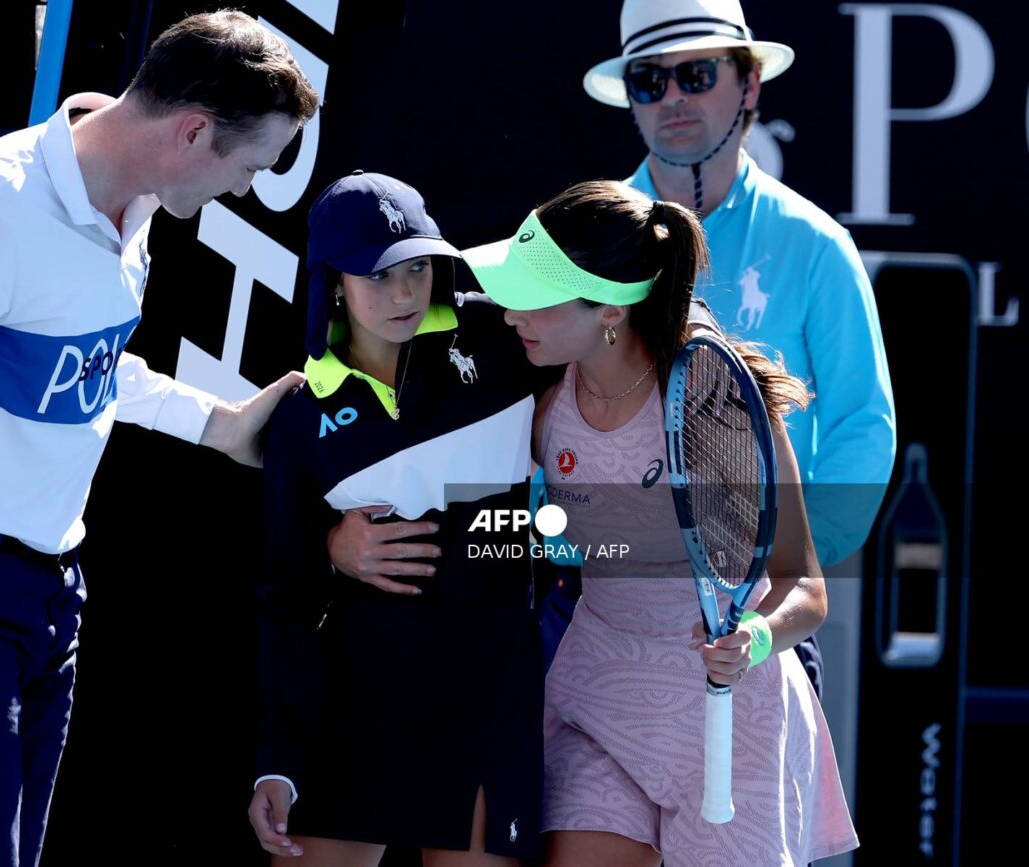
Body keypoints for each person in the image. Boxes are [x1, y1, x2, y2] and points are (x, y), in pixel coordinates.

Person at [0, 11, 318, 866]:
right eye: (250, 166)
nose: (242, 189)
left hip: (49, 597)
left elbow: (85, 360)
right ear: (193, 131)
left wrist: (215, 424)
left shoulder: (140, 201)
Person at [461, 178, 858, 866]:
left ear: (609, 307)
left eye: (533, 293)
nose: (508, 310)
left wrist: (757, 638)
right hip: (599, 697)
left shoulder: (722, 404)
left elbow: (807, 587)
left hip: (735, 719)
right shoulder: (546, 396)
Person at [550, 0, 897, 689]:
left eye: (698, 74)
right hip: (602, 620)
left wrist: (776, 578)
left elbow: (864, 427)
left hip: (758, 631)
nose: (673, 97)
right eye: (650, 81)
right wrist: (571, 551)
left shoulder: (817, 246)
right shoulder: (577, 247)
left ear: (749, 85)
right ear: (631, 100)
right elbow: (539, 416)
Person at [246, 172, 544, 865]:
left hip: (491, 697)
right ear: (334, 281)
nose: (404, 293)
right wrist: (279, 760)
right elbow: (285, 595)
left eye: (416, 268)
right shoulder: (299, 418)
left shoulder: (503, 340)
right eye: (378, 276)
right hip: (358, 709)